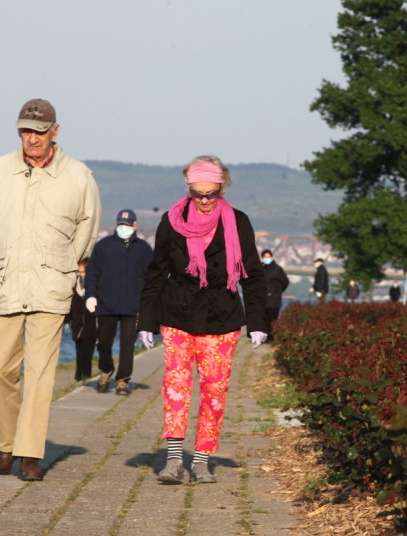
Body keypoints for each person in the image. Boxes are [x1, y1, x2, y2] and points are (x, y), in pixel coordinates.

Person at [0, 98, 101, 482]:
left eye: (39, 131)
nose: (31, 138)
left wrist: (66, 264)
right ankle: (7, 444)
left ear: (55, 132)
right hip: (3, 287)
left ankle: (29, 455)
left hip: (50, 288)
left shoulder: (79, 176)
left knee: (41, 374)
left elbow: (87, 228)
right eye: (25, 131)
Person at [137, 156, 268, 484]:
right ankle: (173, 460)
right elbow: (157, 271)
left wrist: (258, 323)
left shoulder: (237, 222)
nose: (206, 201)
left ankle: (202, 459)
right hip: (177, 312)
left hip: (221, 318)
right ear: (189, 189)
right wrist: (146, 321)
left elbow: (251, 275)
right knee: (176, 387)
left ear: (222, 188)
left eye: (212, 193)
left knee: (214, 391)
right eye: (198, 194)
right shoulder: (172, 220)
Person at [85, 208, 153, 394]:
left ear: (135, 225)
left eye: (127, 224)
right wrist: (90, 295)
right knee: (104, 342)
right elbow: (92, 273)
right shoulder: (103, 246)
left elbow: (151, 279)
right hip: (106, 304)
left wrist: (149, 305)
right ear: (116, 224)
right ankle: (106, 370)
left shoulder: (144, 249)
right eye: (121, 224)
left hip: (133, 306)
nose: (124, 228)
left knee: (128, 343)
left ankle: (123, 379)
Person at [66, 259, 97, 382]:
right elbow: (70, 305)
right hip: (78, 325)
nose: (81, 274)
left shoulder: (95, 285)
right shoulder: (75, 286)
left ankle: (86, 376)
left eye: (84, 272)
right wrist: (67, 321)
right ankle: (79, 377)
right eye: (80, 272)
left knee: (88, 352)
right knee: (79, 352)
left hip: (91, 325)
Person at [260, 249, 289, 341]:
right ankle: (265, 337)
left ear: (272, 257)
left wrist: (278, 291)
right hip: (263, 299)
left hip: (274, 299)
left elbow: (285, 281)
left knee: (272, 319)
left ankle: (272, 337)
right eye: (265, 257)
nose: (266, 258)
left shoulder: (277, 269)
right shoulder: (261, 269)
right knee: (263, 319)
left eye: (268, 257)